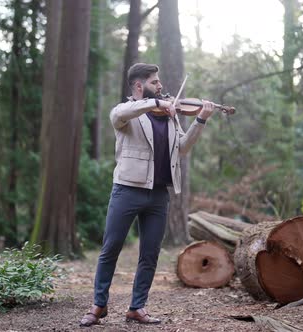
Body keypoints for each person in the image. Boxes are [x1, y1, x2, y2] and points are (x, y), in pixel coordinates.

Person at [80, 63, 215, 327]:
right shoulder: (127, 113)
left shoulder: (170, 116)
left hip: (158, 195)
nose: (161, 86)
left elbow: (183, 148)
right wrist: (155, 104)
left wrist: (200, 120)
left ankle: (137, 307)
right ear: (139, 86)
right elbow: (119, 113)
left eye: (160, 81)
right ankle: (99, 305)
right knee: (110, 249)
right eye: (155, 82)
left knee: (150, 254)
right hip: (127, 190)